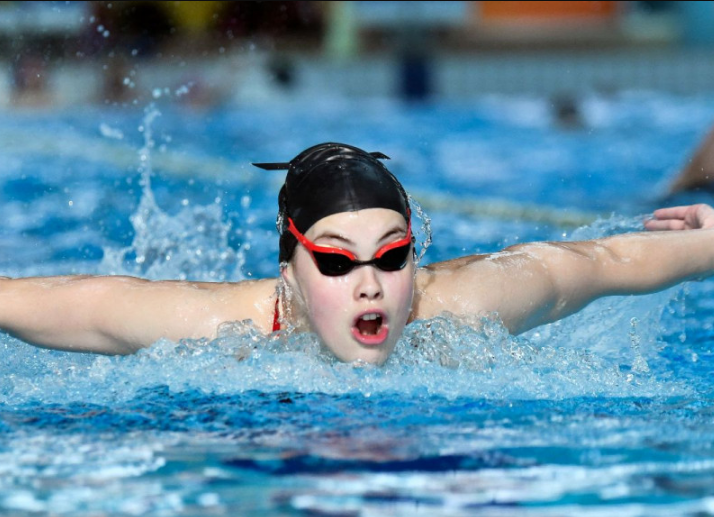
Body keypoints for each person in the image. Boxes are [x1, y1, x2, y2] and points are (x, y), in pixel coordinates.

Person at [1, 142, 714, 365]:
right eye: (337, 262)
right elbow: (88, 304)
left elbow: (598, 264)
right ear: (291, 274)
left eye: (392, 257)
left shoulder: (464, 304)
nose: (370, 285)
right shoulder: (233, 327)